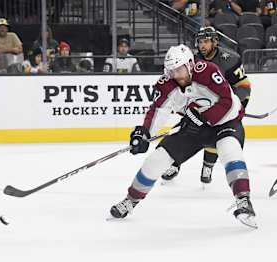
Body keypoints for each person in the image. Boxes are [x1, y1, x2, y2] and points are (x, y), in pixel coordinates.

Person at [109, 44, 256, 228]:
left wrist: (203, 116)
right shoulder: (167, 84)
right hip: (193, 128)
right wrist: (144, 132)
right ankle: (131, 200)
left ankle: (243, 200)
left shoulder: (208, 71)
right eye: (171, 71)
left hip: (226, 123)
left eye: (179, 69)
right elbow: (157, 111)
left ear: (190, 65)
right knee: (156, 159)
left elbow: (227, 101)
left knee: (230, 151)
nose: (176, 75)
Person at [161, 27, 252, 184]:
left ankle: (208, 165)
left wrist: (238, 105)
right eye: (200, 42)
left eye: (206, 42)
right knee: (185, 130)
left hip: (223, 105)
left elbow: (243, 86)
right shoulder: (192, 61)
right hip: (200, 104)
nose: (202, 45)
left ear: (215, 42)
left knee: (219, 133)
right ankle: (175, 164)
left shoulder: (229, 59)